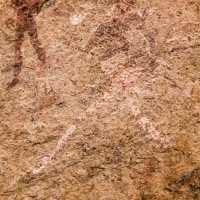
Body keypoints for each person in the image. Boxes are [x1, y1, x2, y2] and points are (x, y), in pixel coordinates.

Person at [8, 0, 46, 89]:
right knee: (28, 43)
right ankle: (16, 76)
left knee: (31, 42)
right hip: (22, 17)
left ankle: (43, 63)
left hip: (25, 18)